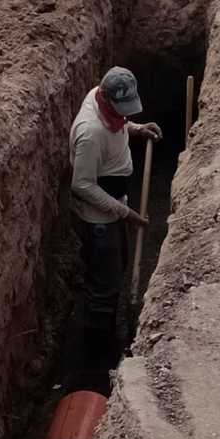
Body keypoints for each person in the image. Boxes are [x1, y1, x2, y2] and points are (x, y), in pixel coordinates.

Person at [69, 67, 162, 372]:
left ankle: (109, 331)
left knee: (114, 270)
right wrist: (126, 213)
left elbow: (119, 126)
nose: (124, 116)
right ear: (106, 100)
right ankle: (98, 356)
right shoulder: (90, 133)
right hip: (100, 220)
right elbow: (81, 185)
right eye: (121, 112)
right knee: (103, 287)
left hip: (113, 208)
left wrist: (135, 129)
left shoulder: (101, 101)